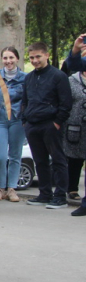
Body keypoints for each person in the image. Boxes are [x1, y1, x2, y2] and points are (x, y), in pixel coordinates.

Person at [22, 42, 72, 209]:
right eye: (32, 58)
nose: (35, 60)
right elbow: (25, 101)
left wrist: (57, 122)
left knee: (58, 159)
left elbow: (66, 102)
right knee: (39, 161)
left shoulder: (58, 76)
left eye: (38, 57)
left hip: (51, 124)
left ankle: (60, 196)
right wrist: (25, 121)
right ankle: (44, 194)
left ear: (47, 55)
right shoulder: (28, 78)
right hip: (32, 124)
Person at [0, 46, 26, 203]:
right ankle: (0, 188)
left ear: (17, 59)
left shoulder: (25, 78)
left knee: (15, 155)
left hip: (17, 120)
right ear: (1, 60)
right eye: (5, 58)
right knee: (0, 156)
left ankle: (12, 188)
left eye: (11, 58)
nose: (8, 61)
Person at [64, 62, 86, 208]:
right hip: (75, 126)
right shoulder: (71, 81)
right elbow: (65, 102)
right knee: (74, 159)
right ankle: (72, 188)